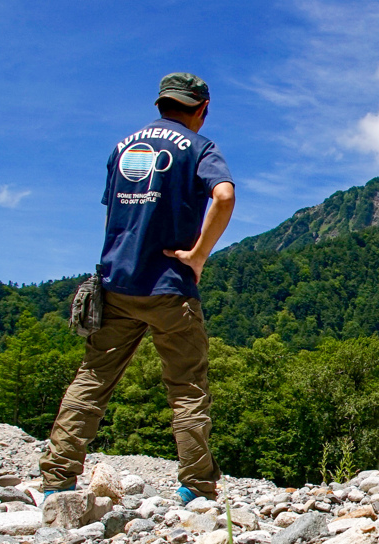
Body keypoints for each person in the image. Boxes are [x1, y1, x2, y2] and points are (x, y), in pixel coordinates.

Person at [39, 72, 235, 504]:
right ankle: (196, 488)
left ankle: (57, 479)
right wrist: (199, 255)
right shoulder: (201, 148)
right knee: (187, 388)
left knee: (92, 379)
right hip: (170, 286)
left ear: (160, 104)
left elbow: (116, 212)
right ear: (202, 108)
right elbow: (223, 196)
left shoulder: (123, 147)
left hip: (117, 284)